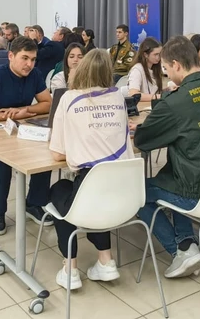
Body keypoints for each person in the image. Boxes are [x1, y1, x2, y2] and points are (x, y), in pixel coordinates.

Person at [133, 36, 200, 278]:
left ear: (177, 65)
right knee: (170, 176)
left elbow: (143, 140)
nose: (167, 74)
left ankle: (179, 251)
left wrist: (163, 104)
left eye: (167, 69)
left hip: (195, 189)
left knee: (138, 193)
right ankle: (186, 242)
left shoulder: (176, 101)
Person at [49, 49, 131, 289]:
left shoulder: (69, 98)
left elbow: (57, 154)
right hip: (123, 195)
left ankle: (70, 267)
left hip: (91, 192)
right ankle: (106, 260)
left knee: (61, 190)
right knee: (95, 189)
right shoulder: (118, 97)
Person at [0, 36, 53, 235]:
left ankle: (34, 203)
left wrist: (25, 110)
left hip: (19, 131)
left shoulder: (34, 74)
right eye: (25, 58)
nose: (29, 64)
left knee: (45, 151)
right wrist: (6, 116)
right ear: (11, 56)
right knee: (2, 161)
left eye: (33, 59)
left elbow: (47, 104)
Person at [128, 37, 163, 102]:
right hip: (142, 106)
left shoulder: (155, 68)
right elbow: (134, 94)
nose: (158, 57)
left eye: (160, 54)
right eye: (155, 54)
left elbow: (153, 92)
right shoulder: (137, 70)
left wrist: (166, 91)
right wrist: (159, 96)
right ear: (145, 55)